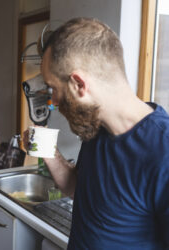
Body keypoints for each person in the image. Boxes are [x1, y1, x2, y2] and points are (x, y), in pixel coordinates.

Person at [26, 17, 169, 249]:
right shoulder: (96, 129)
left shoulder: (162, 151)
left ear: (79, 85)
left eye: (54, 89)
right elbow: (76, 187)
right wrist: (48, 151)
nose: (52, 101)